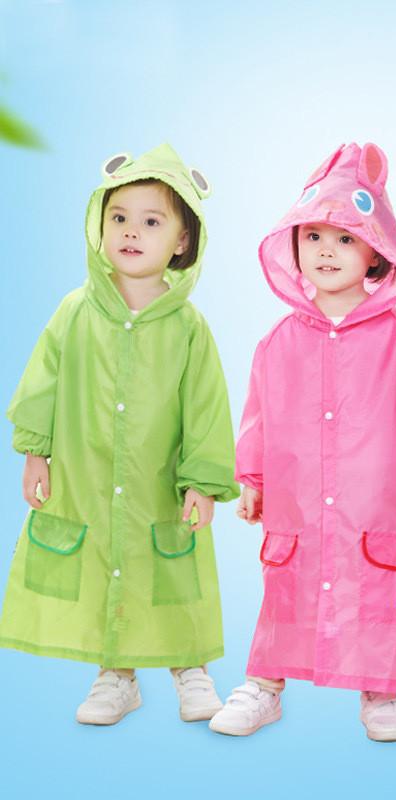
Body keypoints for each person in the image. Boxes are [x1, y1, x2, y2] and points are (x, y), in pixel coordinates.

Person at [210, 142, 396, 742]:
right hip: (298, 505)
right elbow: (259, 414)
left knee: (380, 588)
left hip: (378, 505)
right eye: (313, 236)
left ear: (376, 253)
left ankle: (381, 692)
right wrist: (253, 479)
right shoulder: (279, 340)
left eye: (345, 238)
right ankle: (264, 685)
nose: (326, 250)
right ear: (293, 246)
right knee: (286, 587)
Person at [0, 144, 239, 726]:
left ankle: (190, 667)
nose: (131, 231)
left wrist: (202, 481)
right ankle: (116, 675)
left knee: (172, 574)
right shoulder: (74, 311)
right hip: (87, 477)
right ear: (99, 225)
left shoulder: (188, 327)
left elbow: (206, 407)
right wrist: (35, 453)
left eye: (152, 222)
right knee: (102, 566)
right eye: (119, 217)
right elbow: (42, 383)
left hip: (162, 484)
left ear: (182, 241)